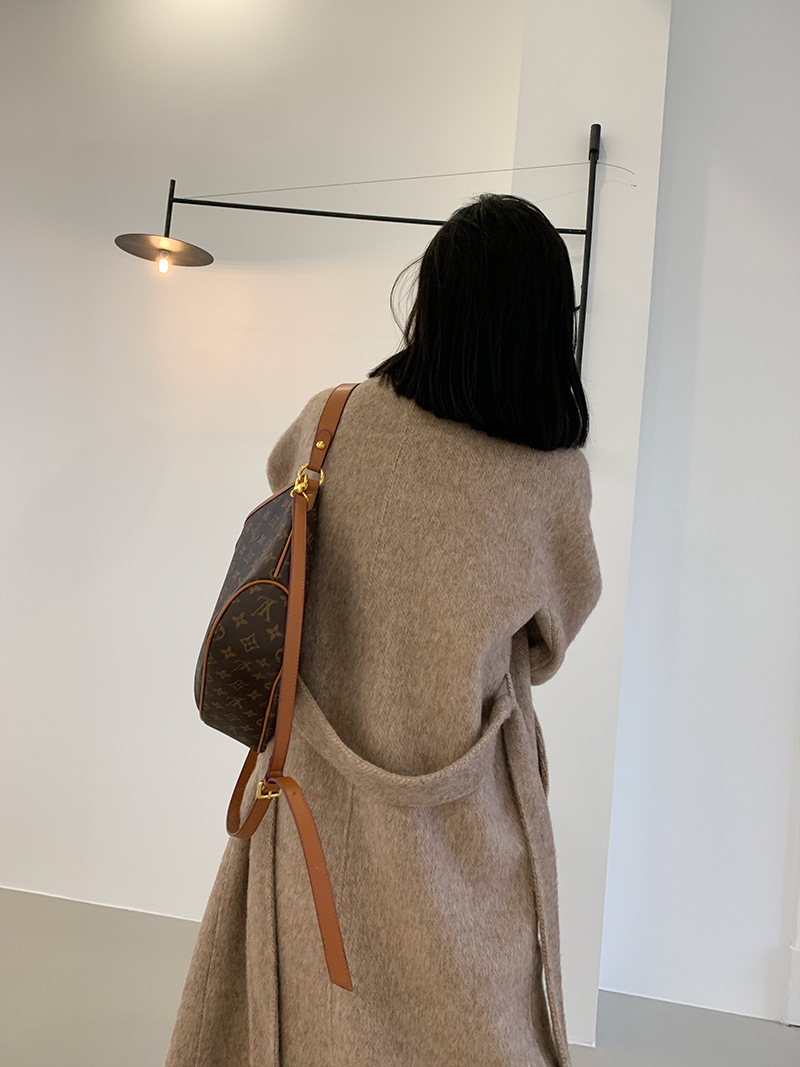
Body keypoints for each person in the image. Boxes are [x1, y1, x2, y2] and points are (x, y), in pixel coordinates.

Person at [165, 192, 602, 1067]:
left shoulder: (331, 421)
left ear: (432, 301)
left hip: (315, 803)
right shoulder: (551, 480)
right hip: (464, 831)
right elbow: (553, 636)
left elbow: (281, 520)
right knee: (480, 1025)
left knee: (306, 1023)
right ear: (546, 324)